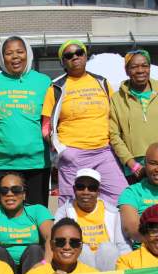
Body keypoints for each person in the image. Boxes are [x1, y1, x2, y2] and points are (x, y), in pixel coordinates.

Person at [41, 39, 127, 206]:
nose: (75, 57)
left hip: (104, 152)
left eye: (79, 53)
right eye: (69, 55)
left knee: (122, 199)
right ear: (63, 62)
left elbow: (115, 114)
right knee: (69, 204)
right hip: (73, 154)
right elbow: (46, 125)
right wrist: (61, 150)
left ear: (85, 55)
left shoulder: (102, 82)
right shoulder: (56, 87)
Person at [0, 35, 52, 207]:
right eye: (9, 53)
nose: (15, 57)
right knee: (5, 217)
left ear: (28, 54)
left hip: (36, 162)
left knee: (37, 215)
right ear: (1, 57)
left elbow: (51, 119)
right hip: (2, 163)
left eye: (20, 52)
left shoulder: (43, 82)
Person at [110, 49, 158, 184]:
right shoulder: (116, 98)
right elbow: (114, 135)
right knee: (141, 203)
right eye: (134, 67)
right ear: (126, 70)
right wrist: (131, 163)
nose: (140, 70)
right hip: (136, 166)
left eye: (144, 65)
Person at [54, 168, 131, 271]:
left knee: (107, 248)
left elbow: (123, 245)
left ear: (98, 191)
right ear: (74, 189)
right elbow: (57, 243)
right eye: (80, 187)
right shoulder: (64, 213)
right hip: (79, 263)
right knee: (82, 249)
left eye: (92, 188)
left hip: (107, 262)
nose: (86, 192)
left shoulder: (112, 212)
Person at [0, 172, 54, 274]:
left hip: (33, 265)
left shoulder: (37, 210)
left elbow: (51, 236)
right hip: (2, 268)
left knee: (35, 249)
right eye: (4, 190)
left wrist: (45, 263)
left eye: (15, 190)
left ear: (24, 194)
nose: (9, 194)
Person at [23, 218, 98, 274]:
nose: (67, 247)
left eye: (74, 242)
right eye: (60, 242)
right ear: (51, 245)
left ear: (81, 246)